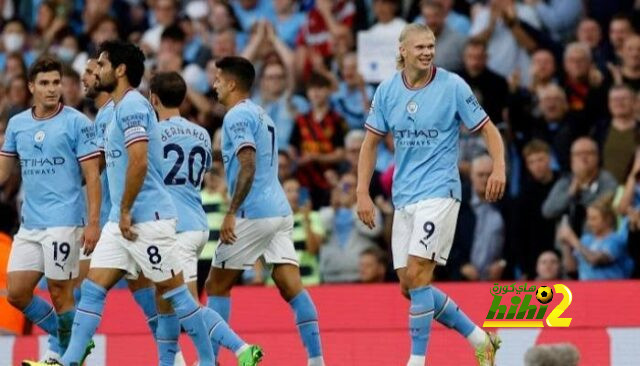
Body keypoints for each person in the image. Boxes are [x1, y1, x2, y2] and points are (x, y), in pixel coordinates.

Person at [23, 41, 254, 366]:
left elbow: (139, 162)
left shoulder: (133, 107)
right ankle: (67, 360)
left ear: (119, 70)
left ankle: (214, 357)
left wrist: (127, 209)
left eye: (100, 65)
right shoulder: (117, 109)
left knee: (175, 297)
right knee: (91, 291)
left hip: (147, 219)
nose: (96, 71)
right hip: (122, 221)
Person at [356, 23, 505, 366]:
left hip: (440, 191)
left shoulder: (452, 85)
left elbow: (488, 130)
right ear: (403, 50)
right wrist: (363, 192)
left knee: (421, 272)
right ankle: (481, 339)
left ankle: (417, 360)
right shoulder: (387, 90)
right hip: (404, 195)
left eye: (431, 46)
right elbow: (370, 144)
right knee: (409, 286)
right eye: (420, 47)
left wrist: (498, 168)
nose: (426, 52)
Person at [205, 56, 325, 366]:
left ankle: (211, 361)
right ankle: (317, 361)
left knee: (216, 285)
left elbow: (248, 164)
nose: (214, 84)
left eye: (218, 78)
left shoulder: (235, 117)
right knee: (291, 286)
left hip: (253, 212)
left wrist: (231, 211)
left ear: (232, 83)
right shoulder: (262, 114)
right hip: (280, 211)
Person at [150, 71, 262, 364]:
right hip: (196, 220)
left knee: (184, 303)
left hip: (173, 227)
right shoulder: (201, 133)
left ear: (153, 99)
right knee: (165, 301)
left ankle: (237, 349)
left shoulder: (151, 134)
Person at [1, 56, 101, 364]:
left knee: (60, 291)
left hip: (64, 220)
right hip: (30, 224)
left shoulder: (76, 122)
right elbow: (3, 172)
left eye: (56, 82)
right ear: (31, 87)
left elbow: (92, 175)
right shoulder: (17, 124)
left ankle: (65, 356)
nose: (52, 89)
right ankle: (69, 339)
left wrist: (93, 222)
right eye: (44, 83)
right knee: (16, 292)